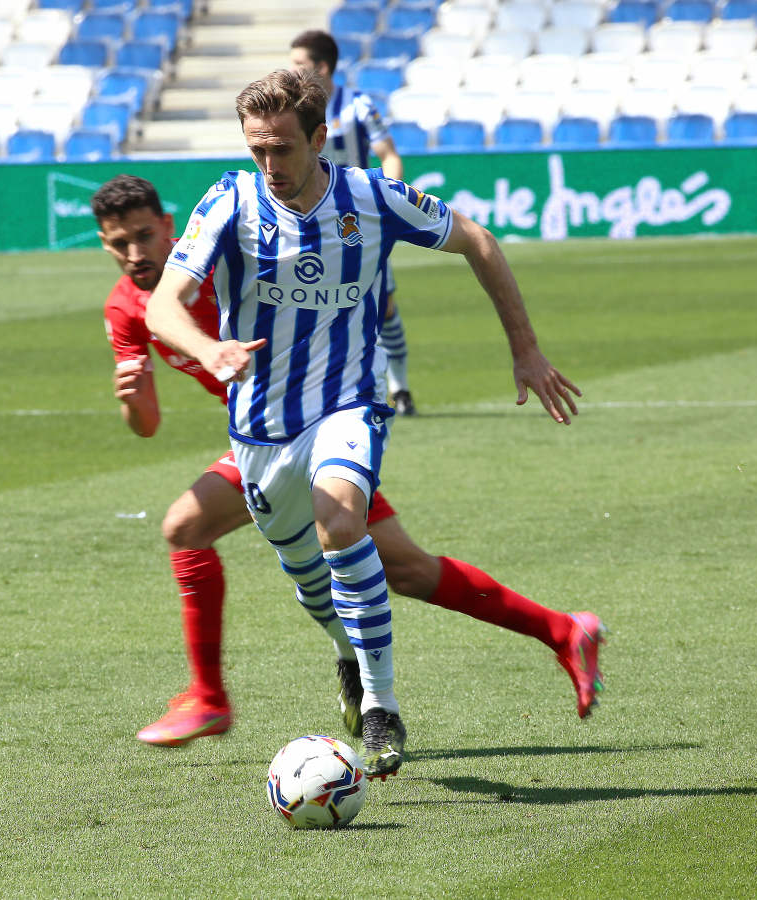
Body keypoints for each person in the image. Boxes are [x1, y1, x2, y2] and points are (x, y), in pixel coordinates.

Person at [141, 69, 585, 779]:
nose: (270, 164)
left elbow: (478, 239)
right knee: (313, 584)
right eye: (257, 148)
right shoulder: (229, 199)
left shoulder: (371, 196)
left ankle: (381, 706)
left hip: (348, 405)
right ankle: (350, 658)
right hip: (258, 432)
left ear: (319, 138)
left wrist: (525, 350)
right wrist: (207, 348)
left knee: (341, 523)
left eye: (283, 148)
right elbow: (164, 304)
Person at [289, 29, 417, 416]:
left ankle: (401, 387)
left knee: (385, 307)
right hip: (308, 223)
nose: (291, 70)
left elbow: (388, 154)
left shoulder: (358, 106)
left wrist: (387, 196)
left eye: (298, 64)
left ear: (321, 67)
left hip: (355, 223)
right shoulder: (294, 109)